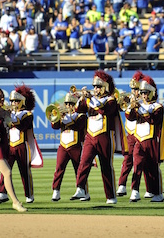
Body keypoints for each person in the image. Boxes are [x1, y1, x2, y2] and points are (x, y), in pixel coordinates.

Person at [71, 70, 126, 204]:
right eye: (94, 86)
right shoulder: (92, 100)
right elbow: (79, 109)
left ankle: (111, 196)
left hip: (105, 136)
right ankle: (80, 188)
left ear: (105, 87)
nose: (95, 89)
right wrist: (81, 98)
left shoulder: (111, 100)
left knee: (106, 166)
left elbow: (103, 109)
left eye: (98, 87)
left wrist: (90, 98)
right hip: (90, 135)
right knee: (84, 162)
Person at [0, 85, 43, 204]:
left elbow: (21, 125)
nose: (13, 103)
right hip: (9, 145)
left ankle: (29, 194)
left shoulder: (27, 114)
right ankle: (2, 192)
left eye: (16, 101)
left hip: (22, 145)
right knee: (5, 169)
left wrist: (8, 115)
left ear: (22, 102)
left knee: (25, 171)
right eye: (11, 101)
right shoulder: (9, 113)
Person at [125, 75, 164, 202]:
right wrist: (132, 107)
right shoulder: (139, 105)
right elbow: (130, 117)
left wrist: (140, 109)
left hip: (152, 141)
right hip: (139, 140)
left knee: (153, 168)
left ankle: (158, 193)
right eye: (142, 93)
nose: (143, 95)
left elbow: (153, 119)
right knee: (137, 166)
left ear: (152, 93)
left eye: (146, 93)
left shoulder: (157, 106)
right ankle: (135, 191)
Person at [49, 89, 87, 202]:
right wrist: (57, 117)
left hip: (76, 145)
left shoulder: (80, 115)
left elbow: (78, 126)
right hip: (63, 146)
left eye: (71, 103)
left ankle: (84, 191)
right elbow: (54, 126)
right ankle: (56, 191)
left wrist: (66, 117)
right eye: (66, 103)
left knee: (79, 170)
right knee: (59, 169)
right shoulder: (62, 115)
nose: (68, 106)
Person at [117, 71, 144, 197]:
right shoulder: (129, 99)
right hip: (130, 134)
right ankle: (122, 185)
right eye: (133, 89)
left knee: (138, 163)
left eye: (137, 89)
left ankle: (136, 189)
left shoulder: (145, 101)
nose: (135, 92)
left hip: (141, 135)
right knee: (127, 160)